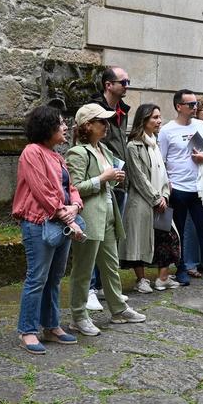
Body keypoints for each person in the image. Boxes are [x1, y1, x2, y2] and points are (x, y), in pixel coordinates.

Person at [67, 103, 147, 335]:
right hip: (90, 218)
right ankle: (78, 315)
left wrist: (112, 179)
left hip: (108, 216)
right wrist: (104, 178)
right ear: (87, 125)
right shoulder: (77, 152)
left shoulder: (103, 149)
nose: (106, 125)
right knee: (83, 269)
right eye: (101, 121)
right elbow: (75, 188)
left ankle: (118, 308)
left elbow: (104, 183)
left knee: (110, 265)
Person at [14, 105, 84, 354]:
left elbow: (71, 186)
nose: (66, 127)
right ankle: (27, 330)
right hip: (39, 223)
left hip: (61, 221)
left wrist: (75, 206)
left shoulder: (56, 155)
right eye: (61, 123)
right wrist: (66, 214)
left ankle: (51, 326)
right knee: (37, 278)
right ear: (47, 126)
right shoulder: (31, 153)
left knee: (54, 278)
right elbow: (42, 191)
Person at [160, 90, 203, 289]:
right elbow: (161, 161)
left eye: (195, 104)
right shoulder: (167, 131)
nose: (194, 108)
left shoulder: (200, 126)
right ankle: (181, 268)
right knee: (178, 232)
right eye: (190, 104)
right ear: (178, 107)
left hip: (199, 188)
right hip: (178, 188)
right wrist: (167, 186)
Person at [86, 67, 132, 311]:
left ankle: (105, 285)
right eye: (122, 81)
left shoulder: (122, 110)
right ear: (107, 84)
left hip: (118, 178)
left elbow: (119, 144)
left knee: (111, 237)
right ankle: (90, 288)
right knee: (95, 235)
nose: (127, 85)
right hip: (101, 178)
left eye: (128, 81)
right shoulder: (95, 110)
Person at [120, 103, 180, 292]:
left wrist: (164, 195)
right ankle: (142, 279)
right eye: (154, 117)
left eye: (159, 117)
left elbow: (163, 174)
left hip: (159, 200)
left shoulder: (156, 144)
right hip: (141, 201)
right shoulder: (133, 146)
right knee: (139, 241)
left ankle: (162, 278)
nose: (159, 121)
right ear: (144, 120)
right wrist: (155, 198)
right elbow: (138, 177)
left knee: (168, 238)